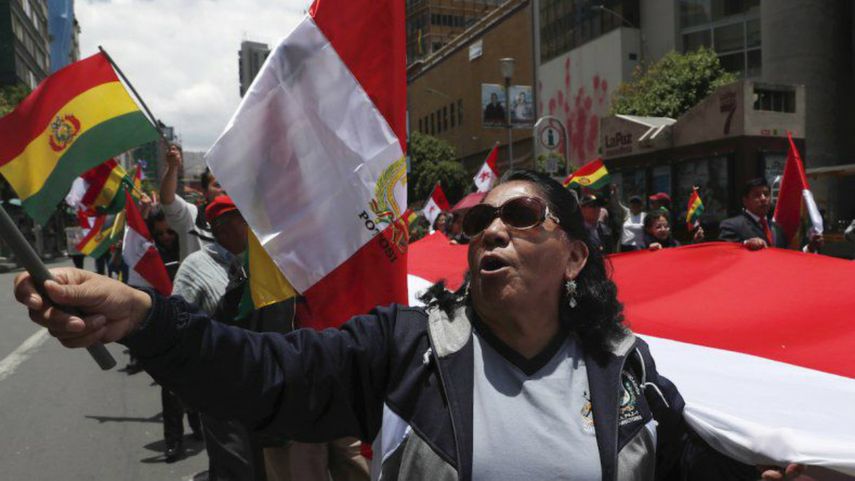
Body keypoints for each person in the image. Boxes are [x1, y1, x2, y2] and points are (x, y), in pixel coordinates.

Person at [14, 170, 803, 481]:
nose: (490, 231)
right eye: (477, 222)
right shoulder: (404, 347)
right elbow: (265, 371)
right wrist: (147, 317)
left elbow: (690, 463)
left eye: (521, 215)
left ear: (574, 254)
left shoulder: (628, 369)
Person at [147, 208, 202, 462]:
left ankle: (198, 425)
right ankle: (174, 442)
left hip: (194, 320)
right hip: (165, 326)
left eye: (170, 231)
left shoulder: (191, 247)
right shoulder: (149, 254)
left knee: (199, 382)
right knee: (170, 388)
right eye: (160, 233)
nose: (166, 237)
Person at [719, 177, 822, 253]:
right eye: (757, 195)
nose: (763, 199)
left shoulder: (777, 228)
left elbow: (787, 257)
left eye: (766, 194)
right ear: (745, 201)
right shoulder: (732, 226)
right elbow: (725, 253)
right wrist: (746, 244)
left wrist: (810, 247)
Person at [160, 145, 222, 261]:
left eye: (228, 185)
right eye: (218, 185)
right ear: (205, 191)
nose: (224, 189)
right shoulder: (192, 215)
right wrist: (172, 168)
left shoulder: (245, 220)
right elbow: (167, 199)